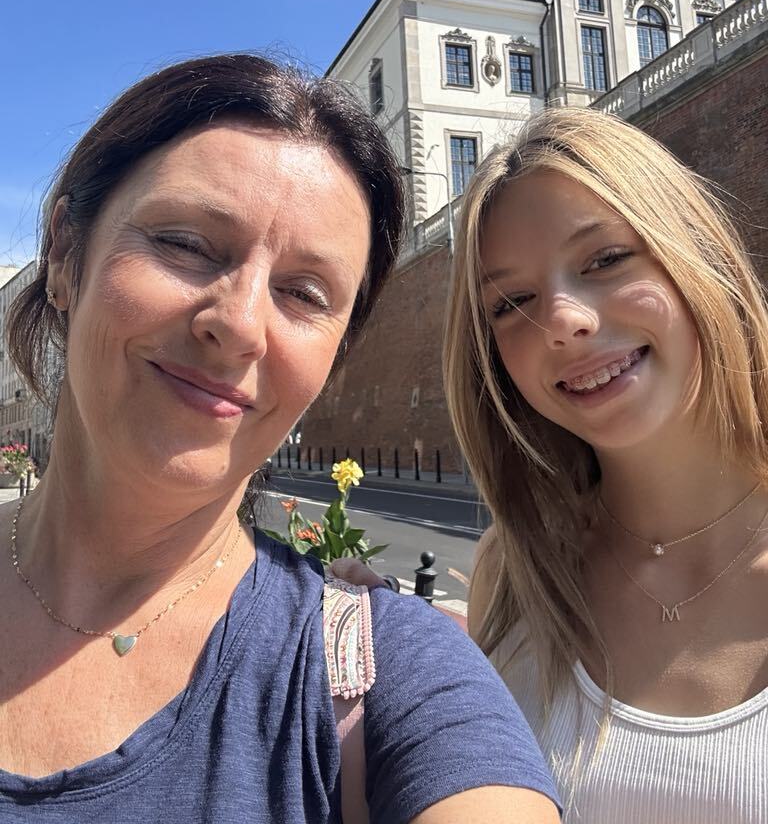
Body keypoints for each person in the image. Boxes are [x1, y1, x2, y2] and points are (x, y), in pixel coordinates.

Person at [0, 54, 560, 824]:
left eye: (303, 293)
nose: (238, 325)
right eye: (185, 244)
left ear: (336, 356)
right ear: (65, 254)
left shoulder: (393, 677)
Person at [446, 108, 768, 822]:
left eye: (605, 260)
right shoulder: (515, 576)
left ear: (694, 255)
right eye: (513, 302)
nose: (564, 320)